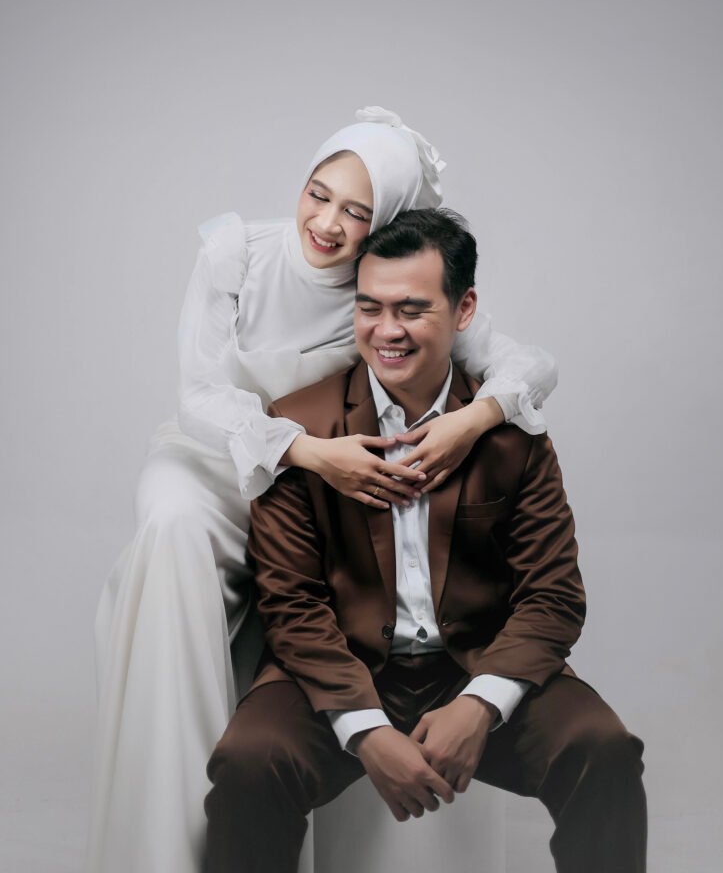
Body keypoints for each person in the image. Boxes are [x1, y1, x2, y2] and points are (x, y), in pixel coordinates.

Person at [87, 108, 558, 873]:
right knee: (170, 527)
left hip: (313, 490)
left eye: (356, 212)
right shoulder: (236, 253)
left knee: (342, 576)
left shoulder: (385, 284)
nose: (328, 223)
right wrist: (305, 450)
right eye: (318, 193)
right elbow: (198, 397)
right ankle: (161, 834)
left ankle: (267, 796)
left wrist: (469, 422)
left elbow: (531, 365)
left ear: (385, 222)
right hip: (214, 465)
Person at [205, 208, 647, 873]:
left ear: (463, 309)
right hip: (337, 665)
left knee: (603, 750)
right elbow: (290, 605)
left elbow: (553, 596)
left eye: (411, 310)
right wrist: (364, 728)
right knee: (248, 761)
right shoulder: (297, 427)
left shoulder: (511, 434)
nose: (386, 330)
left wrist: (480, 704)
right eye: (369, 308)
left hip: (479, 660)